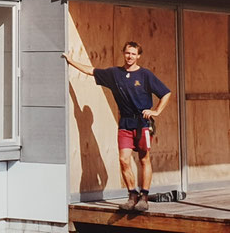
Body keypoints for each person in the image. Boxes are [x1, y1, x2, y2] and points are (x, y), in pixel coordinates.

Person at [63, 41, 171, 212]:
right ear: (123, 53)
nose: (130, 57)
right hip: (125, 123)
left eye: (133, 54)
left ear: (138, 56)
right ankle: (132, 196)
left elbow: (166, 93)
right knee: (123, 159)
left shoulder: (145, 75)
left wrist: (156, 111)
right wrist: (70, 60)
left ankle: (144, 197)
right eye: (127, 53)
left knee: (144, 159)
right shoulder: (114, 74)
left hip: (143, 123)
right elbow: (91, 70)